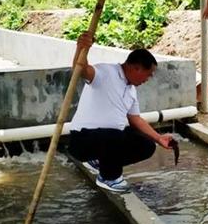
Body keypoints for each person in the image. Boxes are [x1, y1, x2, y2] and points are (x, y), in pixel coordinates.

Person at [68, 33, 173, 192]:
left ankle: (101, 162)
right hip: (82, 140)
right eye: (148, 73)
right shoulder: (105, 72)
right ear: (135, 67)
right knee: (114, 135)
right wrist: (82, 48)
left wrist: (159, 138)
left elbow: (136, 120)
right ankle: (109, 177)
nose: (148, 79)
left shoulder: (131, 90)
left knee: (146, 145)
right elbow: (80, 69)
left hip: (106, 141)